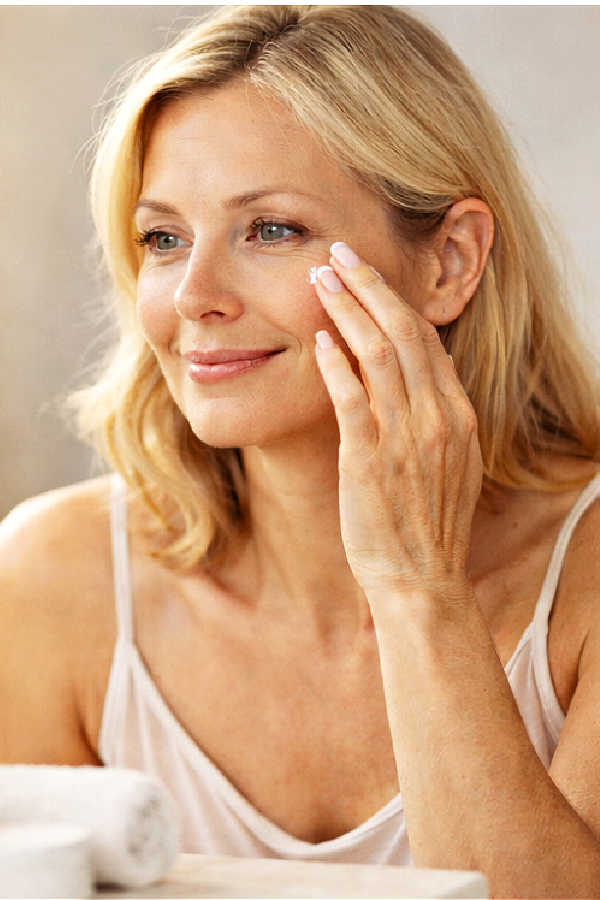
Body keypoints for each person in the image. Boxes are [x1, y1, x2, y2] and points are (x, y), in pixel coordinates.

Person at [2, 5, 600, 895]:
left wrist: (417, 589)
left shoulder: (584, 577)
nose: (193, 296)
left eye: (269, 229)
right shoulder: (57, 577)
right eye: (162, 238)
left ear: (449, 263)